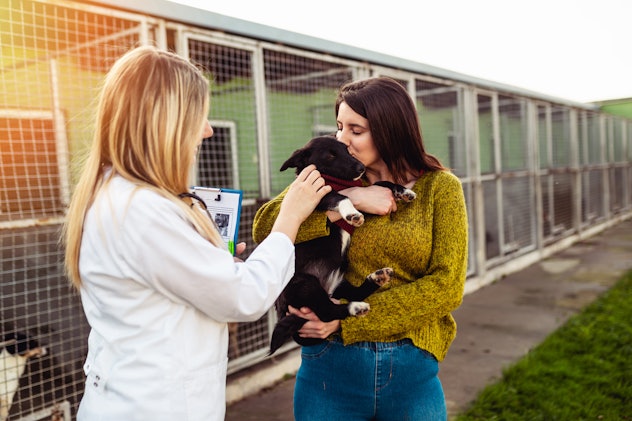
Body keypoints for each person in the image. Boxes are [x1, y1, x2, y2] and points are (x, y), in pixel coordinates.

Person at [61, 45, 331, 421]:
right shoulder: (143, 211)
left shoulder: (113, 194)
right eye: (199, 117)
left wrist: (212, 260)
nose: (206, 131)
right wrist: (290, 219)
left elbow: (168, 283)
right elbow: (245, 296)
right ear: (164, 123)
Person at [253, 76, 468, 420]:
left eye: (356, 130)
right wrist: (348, 198)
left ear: (390, 130)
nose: (343, 140)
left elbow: (447, 286)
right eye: (339, 126)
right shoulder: (330, 175)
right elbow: (265, 226)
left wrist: (345, 323)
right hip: (330, 369)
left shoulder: (439, 189)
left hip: (411, 369)